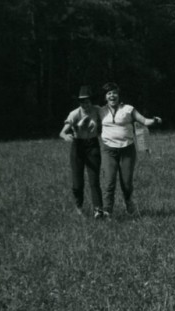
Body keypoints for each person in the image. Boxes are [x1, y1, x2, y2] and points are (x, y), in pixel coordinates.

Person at [99, 82, 162, 218]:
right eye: (109, 93)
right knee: (109, 182)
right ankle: (107, 211)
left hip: (127, 150)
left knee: (126, 183)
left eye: (114, 92)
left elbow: (144, 121)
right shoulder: (101, 111)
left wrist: (155, 120)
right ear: (105, 97)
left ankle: (129, 206)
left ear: (118, 94)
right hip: (108, 150)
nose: (112, 95)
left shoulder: (128, 109)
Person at [59, 86, 103, 218]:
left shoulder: (97, 110)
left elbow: (111, 112)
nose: (85, 104)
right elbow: (62, 132)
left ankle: (98, 209)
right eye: (82, 102)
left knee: (94, 180)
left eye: (87, 101)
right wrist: (66, 136)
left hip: (93, 145)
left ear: (91, 101)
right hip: (78, 146)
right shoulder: (75, 114)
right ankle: (79, 207)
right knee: (77, 182)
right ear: (79, 102)